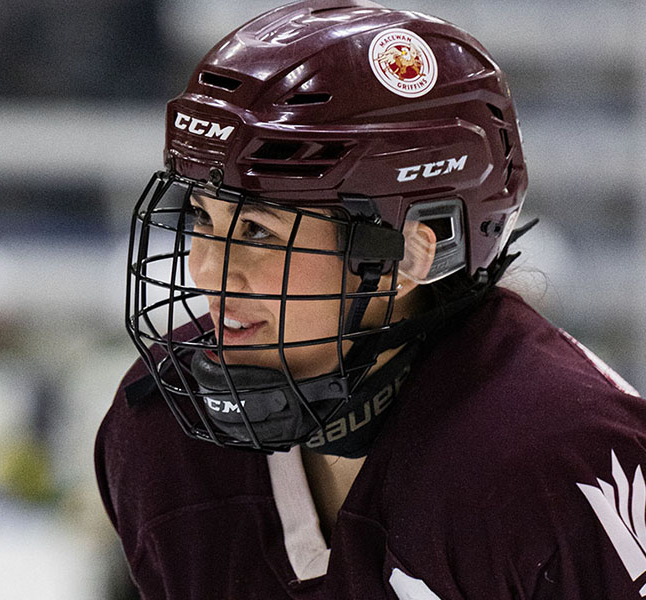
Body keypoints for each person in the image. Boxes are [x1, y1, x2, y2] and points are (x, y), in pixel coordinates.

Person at [94, 1, 646, 598]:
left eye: (258, 232)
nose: (205, 268)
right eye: (201, 216)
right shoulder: (161, 441)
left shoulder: (556, 463)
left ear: (410, 255)